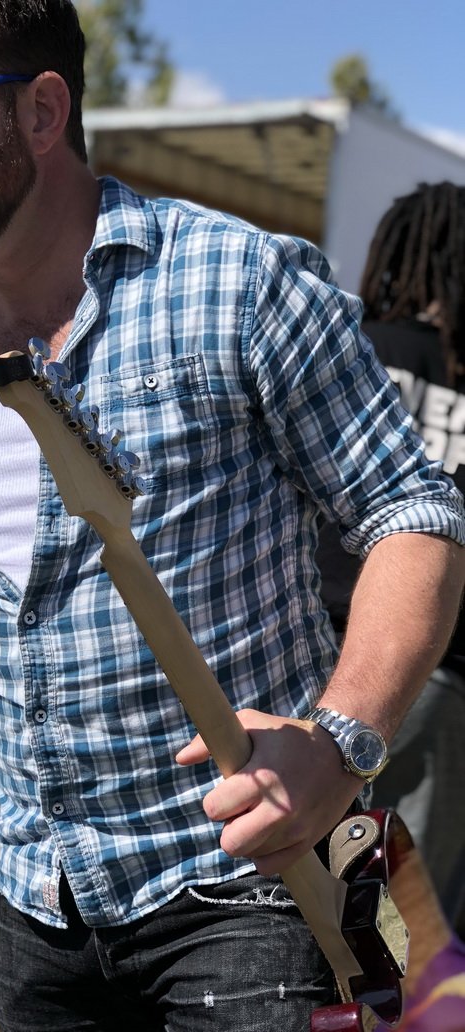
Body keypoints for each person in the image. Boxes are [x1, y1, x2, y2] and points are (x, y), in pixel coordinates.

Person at [0, 3, 464, 1029]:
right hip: (41, 900)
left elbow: (413, 512)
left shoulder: (239, 284)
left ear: (44, 109)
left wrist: (339, 745)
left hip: (241, 891)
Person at [318, 181, 465, 939]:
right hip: (437, 677)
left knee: (303, 903)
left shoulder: (351, 351)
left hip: (319, 668)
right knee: (420, 931)